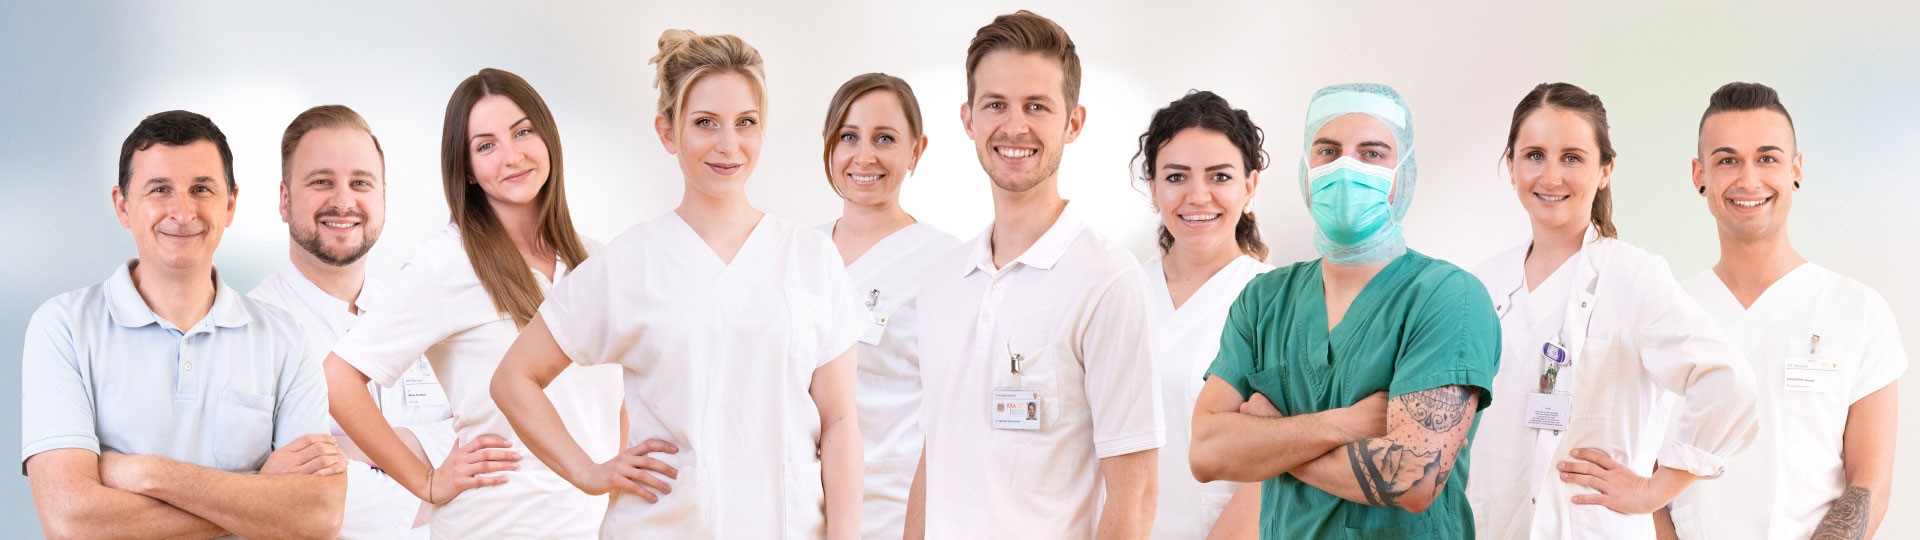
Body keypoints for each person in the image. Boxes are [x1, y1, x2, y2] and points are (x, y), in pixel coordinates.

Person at [492, 30, 867, 539]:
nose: (728, 145)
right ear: (667, 132)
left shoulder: (811, 258)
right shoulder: (628, 263)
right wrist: (589, 472)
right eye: (705, 123)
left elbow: (841, 422)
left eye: (746, 123)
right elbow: (514, 378)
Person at [322, 68, 624, 539]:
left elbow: (615, 406)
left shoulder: (596, 261)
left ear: (548, 137)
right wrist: (426, 481)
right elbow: (339, 378)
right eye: (486, 145)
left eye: (523, 131)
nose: (513, 156)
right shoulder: (446, 263)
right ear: (465, 168)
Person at [1189, 83, 1499, 539]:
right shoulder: (1264, 300)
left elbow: (1412, 480)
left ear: (1404, 174)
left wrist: (1271, 440)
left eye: (1372, 154)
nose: (1346, 168)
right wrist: (1347, 423)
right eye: (1328, 151)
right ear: (1305, 169)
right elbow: (1206, 452)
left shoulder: (1448, 297)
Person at [22, 110, 345, 539]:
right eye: (159, 189)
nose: (182, 210)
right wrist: (260, 493)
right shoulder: (62, 327)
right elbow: (71, 522)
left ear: (230, 205)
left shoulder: (285, 339)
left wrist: (147, 473)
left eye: (201, 189)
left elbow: (316, 516)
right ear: (122, 205)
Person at [905, 10, 1163, 539]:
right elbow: (936, 454)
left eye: (1036, 106)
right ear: (968, 119)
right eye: (995, 104)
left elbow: (1134, 495)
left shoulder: (1108, 280)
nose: (1014, 125)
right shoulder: (940, 284)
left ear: (1073, 122)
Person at [1465, 82, 1760, 539]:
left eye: (1572, 158)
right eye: (1534, 155)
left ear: (1605, 170)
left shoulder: (1632, 276)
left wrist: (1655, 489)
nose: (1550, 177)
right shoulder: (1481, 284)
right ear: (1511, 164)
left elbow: (1728, 383)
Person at [1663, 82, 1904, 540]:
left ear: (1796, 169)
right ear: (1699, 175)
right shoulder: (1666, 314)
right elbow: (1642, 474)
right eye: (1727, 160)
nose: (1748, 180)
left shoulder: (1859, 313)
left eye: (1767, 158)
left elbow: (1869, 484)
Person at [248, 104, 456, 539]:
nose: (343, 201)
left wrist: (354, 448)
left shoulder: (422, 310)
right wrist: (440, 482)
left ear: (383, 196)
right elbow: (300, 501)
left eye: (360, 182)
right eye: (322, 182)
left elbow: (482, 440)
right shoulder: (251, 332)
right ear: (284, 200)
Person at [814, 72, 962, 540]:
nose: (865, 156)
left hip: (890, 509)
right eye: (849, 137)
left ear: (916, 151)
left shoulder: (946, 264)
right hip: (797, 499)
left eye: (885, 139)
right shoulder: (798, 252)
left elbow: (954, 415)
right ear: (828, 146)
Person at [1129, 90, 1275, 539]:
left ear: (1249, 187)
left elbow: (1274, 466)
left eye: (1219, 176)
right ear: (1153, 188)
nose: (1198, 196)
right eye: (1176, 176)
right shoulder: (1119, 291)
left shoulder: (1276, 300)